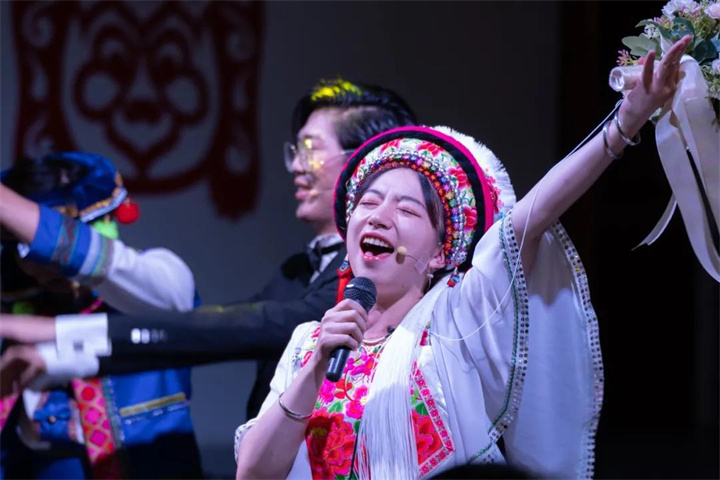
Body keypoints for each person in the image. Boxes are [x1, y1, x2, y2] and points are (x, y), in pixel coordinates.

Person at [233, 37, 691, 479]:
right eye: (368, 203)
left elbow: (532, 218)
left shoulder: (455, 322)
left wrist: (623, 126)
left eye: (407, 209)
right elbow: (253, 472)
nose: (379, 217)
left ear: (439, 253)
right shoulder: (310, 344)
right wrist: (315, 368)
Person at [0, 78, 417, 421]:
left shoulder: (382, 269)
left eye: (310, 150)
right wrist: (58, 357)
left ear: (367, 161)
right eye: (295, 151)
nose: (295, 166)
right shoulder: (297, 270)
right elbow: (205, 333)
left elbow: (257, 328)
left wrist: (57, 333)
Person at [0, 152, 203, 479]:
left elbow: (111, 273)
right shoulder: (16, 311)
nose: (47, 259)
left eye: (48, 239)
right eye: (27, 245)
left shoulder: (161, 278)